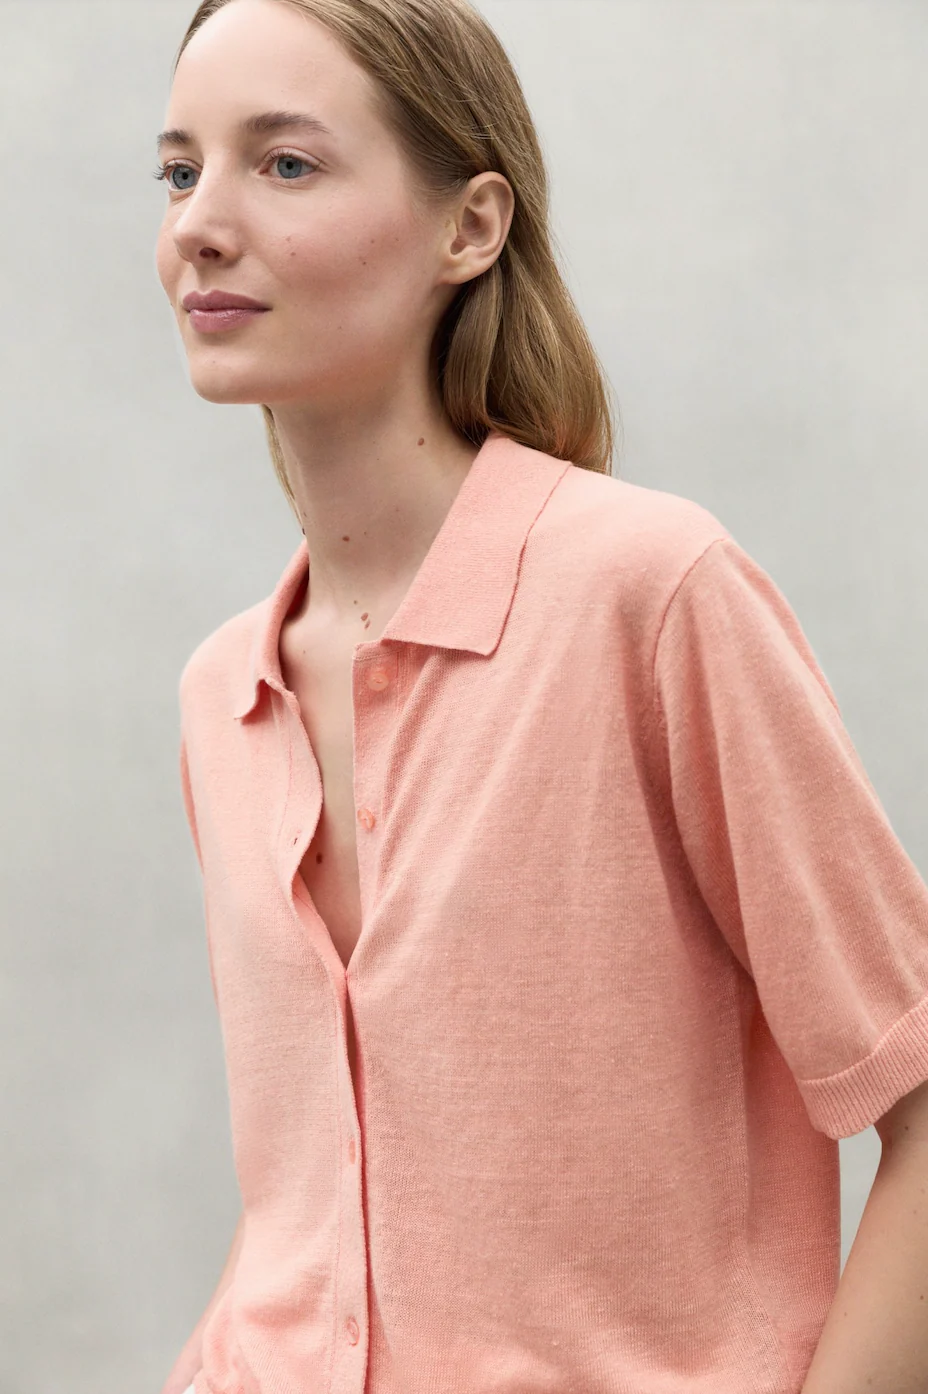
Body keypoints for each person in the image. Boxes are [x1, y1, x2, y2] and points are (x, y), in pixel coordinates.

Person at [156, 2, 928, 1393]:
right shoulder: (225, 696)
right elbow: (312, 1205)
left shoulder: (654, 595)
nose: (200, 225)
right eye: (177, 171)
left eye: (285, 164)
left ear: (471, 226)